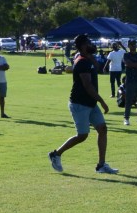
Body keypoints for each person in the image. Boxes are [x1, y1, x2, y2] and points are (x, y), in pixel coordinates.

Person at [48, 34, 116, 174]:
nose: (92, 44)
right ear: (83, 45)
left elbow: (97, 67)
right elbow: (88, 85)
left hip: (90, 102)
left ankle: (101, 165)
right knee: (82, 135)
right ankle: (56, 154)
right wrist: (102, 101)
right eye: (89, 42)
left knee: (102, 129)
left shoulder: (86, 58)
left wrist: (90, 54)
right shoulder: (81, 62)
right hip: (80, 104)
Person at [121, 39, 137, 126]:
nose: (133, 46)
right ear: (128, 46)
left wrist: (133, 65)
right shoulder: (126, 55)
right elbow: (128, 64)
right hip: (130, 80)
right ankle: (126, 118)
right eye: (131, 44)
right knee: (129, 100)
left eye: (134, 44)